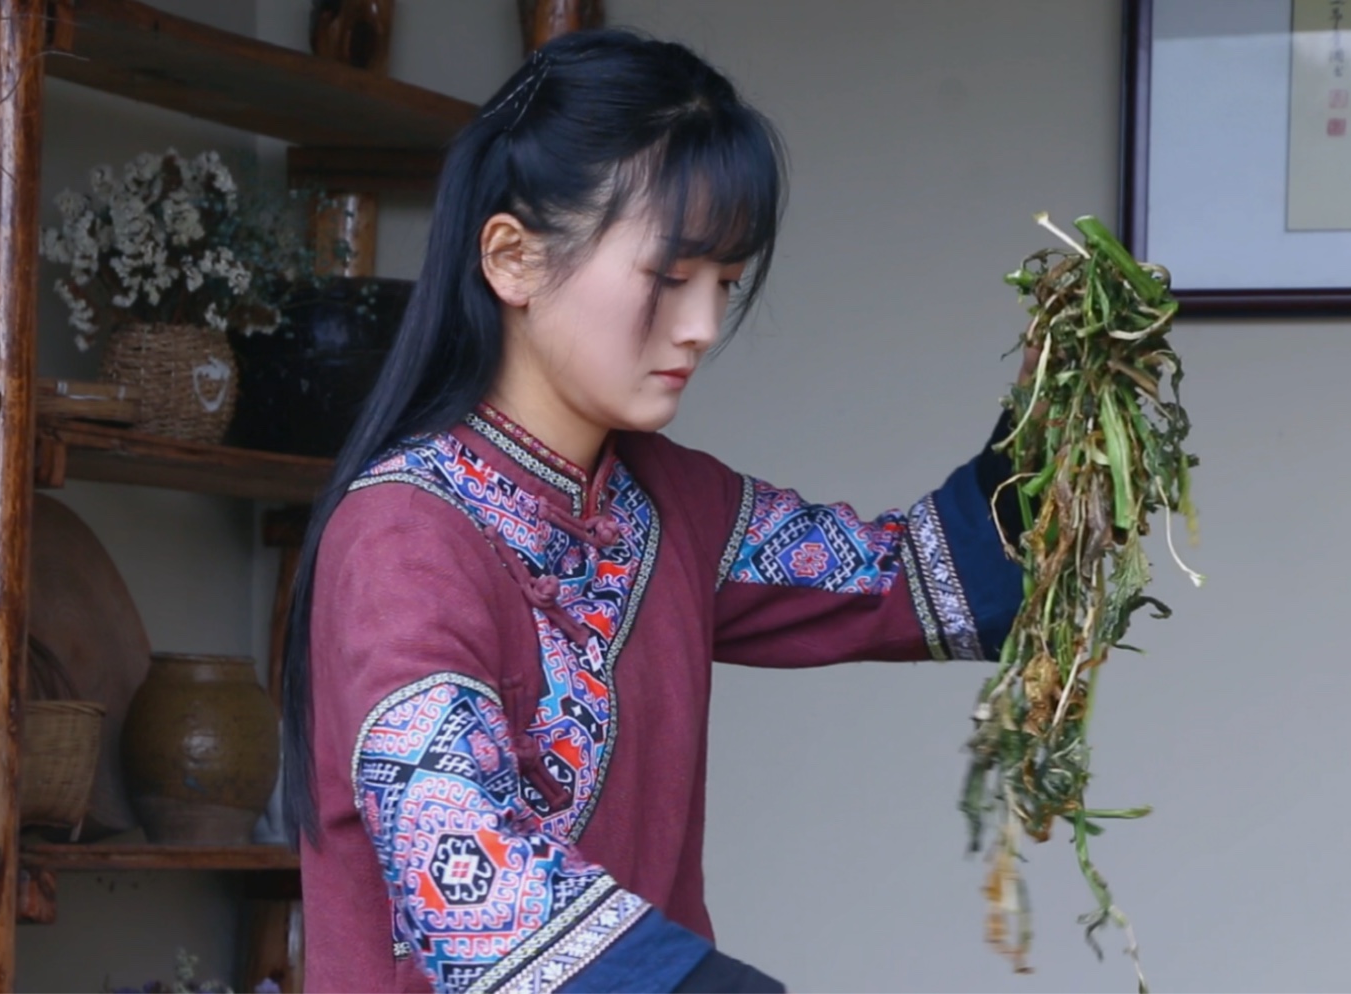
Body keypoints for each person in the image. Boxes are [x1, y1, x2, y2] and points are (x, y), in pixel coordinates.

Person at [281, 28, 1027, 993]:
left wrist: (1060, 445)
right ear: (510, 259)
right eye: (670, 278)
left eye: (725, 283)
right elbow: (465, 879)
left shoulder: (675, 503)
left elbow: (925, 581)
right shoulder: (402, 535)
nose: (704, 326)